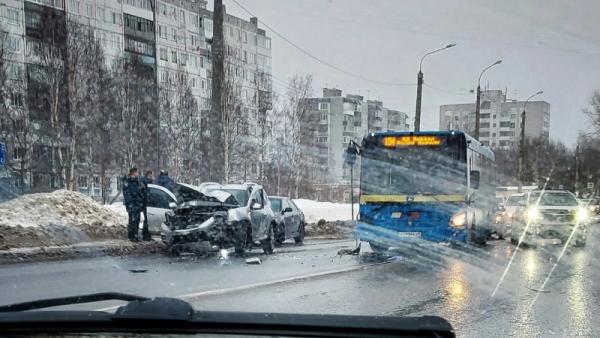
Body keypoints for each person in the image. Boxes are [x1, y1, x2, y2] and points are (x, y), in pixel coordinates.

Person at [123, 167, 143, 242]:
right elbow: (127, 195)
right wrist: (131, 205)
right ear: (133, 173)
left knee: (137, 221)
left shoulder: (137, 181)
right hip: (132, 205)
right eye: (137, 172)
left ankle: (135, 235)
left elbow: (139, 193)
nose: (138, 174)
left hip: (137, 204)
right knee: (132, 221)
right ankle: (131, 237)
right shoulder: (128, 181)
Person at [140, 170, 154, 241]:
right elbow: (148, 192)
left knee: (147, 220)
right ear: (149, 174)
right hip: (147, 203)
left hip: (145, 203)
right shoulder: (147, 182)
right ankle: (146, 236)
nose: (152, 176)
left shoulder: (144, 181)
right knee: (147, 220)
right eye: (152, 174)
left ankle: (147, 235)